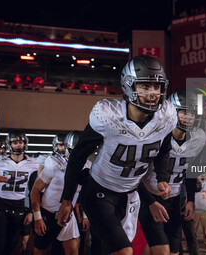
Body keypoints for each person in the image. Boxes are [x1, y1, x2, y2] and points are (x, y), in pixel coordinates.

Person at [57, 56, 177, 255]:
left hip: (130, 193)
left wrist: (163, 178)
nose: (153, 93)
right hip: (99, 191)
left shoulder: (166, 116)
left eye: (156, 87)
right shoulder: (109, 115)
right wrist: (67, 199)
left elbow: (164, 150)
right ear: (129, 86)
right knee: (123, 251)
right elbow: (79, 155)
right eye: (145, 86)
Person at [139, 89, 206, 255]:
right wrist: (150, 202)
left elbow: (191, 172)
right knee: (161, 250)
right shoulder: (157, 134)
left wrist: (191, 200)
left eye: (192, 114)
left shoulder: (198, 137)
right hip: (150, 197)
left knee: (174, 251)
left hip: (175, 201)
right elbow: (136, 174)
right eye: (184, 112)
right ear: (173, 112)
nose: (188, 118)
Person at [31, 131, 90, 255]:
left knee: (73, 252)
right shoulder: (54, 163)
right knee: (41, 251)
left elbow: (85, 195)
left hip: (69, 215)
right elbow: (35, 190)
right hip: (48, 213)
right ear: (68, 148)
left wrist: (85, 216)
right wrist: (38, 217)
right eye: (75, 150)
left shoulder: (88, 166)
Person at [0, 130, 39, 255]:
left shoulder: (33, 163)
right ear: (9, 144)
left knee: (12, 242)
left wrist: (30, 211)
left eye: (20, 142)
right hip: (0, 203)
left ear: (25, 144)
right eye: (15, 142)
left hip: (19, 205)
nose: (18, 145)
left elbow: (34, 189)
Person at [194, 174, 206, 253]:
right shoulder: (193, 185)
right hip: (195, 211)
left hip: (205, 211)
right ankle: (191, 245)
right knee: (193, 230)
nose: (202, 175)